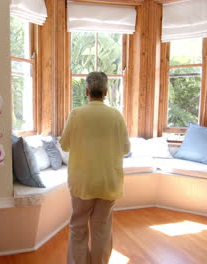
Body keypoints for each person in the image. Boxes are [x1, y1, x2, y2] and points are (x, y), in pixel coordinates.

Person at [60, 72, 130, 264]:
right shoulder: (116, 116)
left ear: (86, 92)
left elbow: (64, 145)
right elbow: (126, 149)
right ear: (106, 92)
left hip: (82, 183)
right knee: (102, 230)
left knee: (78, 228)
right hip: (108, 183)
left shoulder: (77, 114)